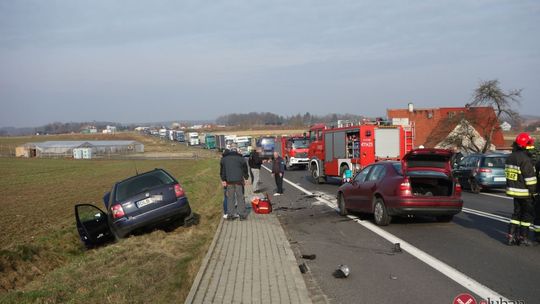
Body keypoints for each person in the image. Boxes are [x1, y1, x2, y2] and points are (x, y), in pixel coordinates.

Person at [505, 132, 537, 246]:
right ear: (525, 145)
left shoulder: (510, 157)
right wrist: (534, 192)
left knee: (516, 214)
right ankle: (523, 237)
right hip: (525, 192)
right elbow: (530, 180)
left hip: (513, 191)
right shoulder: (525, 159)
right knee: (527, 215)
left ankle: (510, 236)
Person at [220, 144, 250, 221]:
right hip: (239, 181)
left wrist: (223, 180)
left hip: (229, 182)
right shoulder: (241, 158)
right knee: (240, 197)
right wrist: (246, 177)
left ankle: (230, 215)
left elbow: (223, 171)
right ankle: (242, 215)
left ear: (230, 150)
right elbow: (245, 168)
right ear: (236, 150)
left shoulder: (224, 159)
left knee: (230, 198)